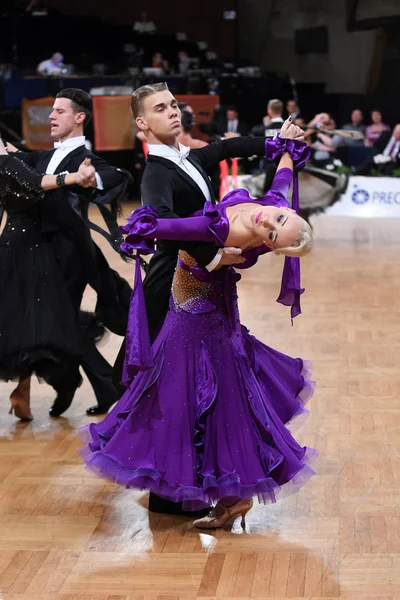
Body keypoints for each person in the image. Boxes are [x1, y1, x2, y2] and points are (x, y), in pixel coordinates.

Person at [80, 125, 317, 530]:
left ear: (271, 246)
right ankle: (230, 498)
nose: (268, 223)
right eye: (278, 218)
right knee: (218, 400)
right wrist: (287, 147)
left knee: (184, 400)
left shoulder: (227, 234)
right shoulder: (273, 203)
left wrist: (144, 228)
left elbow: (174, 230)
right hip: (211, 316)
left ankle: (216, 493)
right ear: (288, 209)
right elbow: (281, 177)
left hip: (194, 319)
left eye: (273, 236)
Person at [7, 88, 133, 418]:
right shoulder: (48, 156)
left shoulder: (84, 159)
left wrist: (93, 180)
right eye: (52, 110)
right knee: (58, 325)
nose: (51, 116)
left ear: (79, 117)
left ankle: (92, 382)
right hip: (46, 252)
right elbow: (19, 160)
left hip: (70, 252)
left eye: (59, 111)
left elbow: (116, 177)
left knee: (58, 324)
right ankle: (85, 383)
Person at [0, 138, 99, 420]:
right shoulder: (5, 163)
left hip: (13, 246)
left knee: (21, 324)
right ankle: (29, 389)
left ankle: (23, 391)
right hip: (30, 251)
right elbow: (36, 181)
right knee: (38, 324)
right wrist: (75, 177)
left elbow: (27, 161)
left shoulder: (9, 157)